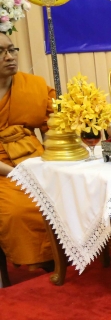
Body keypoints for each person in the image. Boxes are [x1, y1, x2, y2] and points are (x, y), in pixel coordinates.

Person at [0, 34, 55, 270]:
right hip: (3, 170)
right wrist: (14, 173)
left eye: (12, 49)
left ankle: (62, 254)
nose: (10, 57)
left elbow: (53, 126)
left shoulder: (33, 86)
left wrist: (54, 158)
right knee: (19, 209)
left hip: (32, 158)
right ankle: (39, 259)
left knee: (67, 192)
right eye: (1, 52)